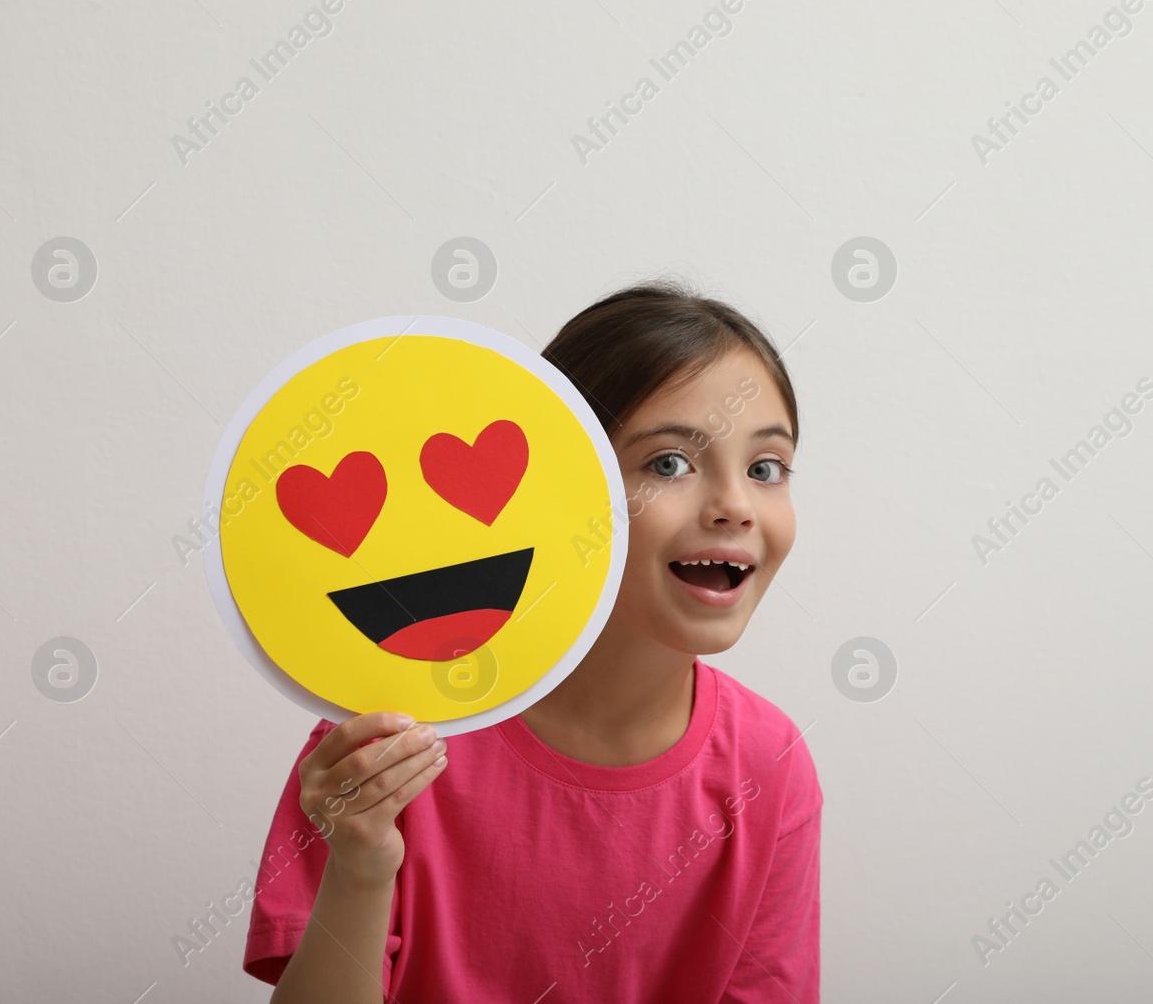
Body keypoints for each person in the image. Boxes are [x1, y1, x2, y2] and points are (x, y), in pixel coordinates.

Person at [242, 278, 823, 1002]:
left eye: (766, 467)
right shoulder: (387, 735)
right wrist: (361, 866)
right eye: (668, 462)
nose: (736, 505)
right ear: (563, 487)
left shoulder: (771, 765)